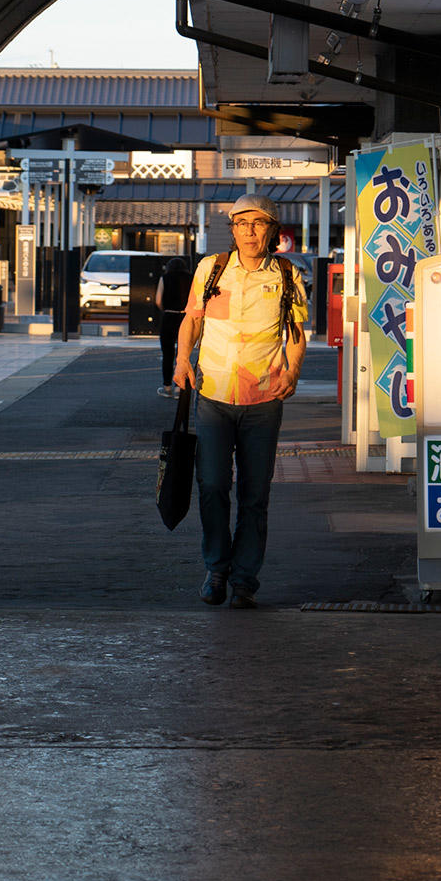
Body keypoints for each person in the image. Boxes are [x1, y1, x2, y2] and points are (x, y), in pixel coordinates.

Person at [173, 194, 308, 609]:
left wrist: (292, 371)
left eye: (259, 223)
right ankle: (216, 568)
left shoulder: (287, 275)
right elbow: (192, 319)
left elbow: (296, 332)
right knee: (212, 484)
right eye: (241, 223)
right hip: (213, 394)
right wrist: (182, 359)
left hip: (263, 398)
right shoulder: (211, 269)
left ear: (273, 230)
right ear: (232, 230)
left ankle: (245, 580)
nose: (250, 231)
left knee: (255, 493)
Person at [155, 254, 192, 397]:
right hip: (185, 317)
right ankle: (179, 388)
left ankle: (167, 387)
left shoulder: (165, 278)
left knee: (167, 354)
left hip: (169, 316)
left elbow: (158, 300)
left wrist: (165, 310)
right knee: (183, 354)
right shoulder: (191, 278)